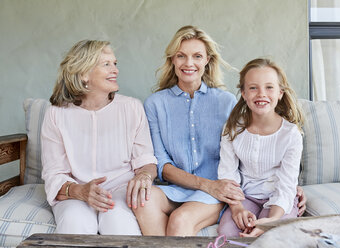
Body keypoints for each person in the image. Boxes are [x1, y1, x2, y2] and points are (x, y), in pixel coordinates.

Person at [133, 26, 306, 236]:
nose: (189, 63)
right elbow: (161, 163)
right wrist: (206, 185)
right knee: (142, 201)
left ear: (207, 60)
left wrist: (287, 187)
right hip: (181, 187)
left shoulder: (226, 102)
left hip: (219, 190)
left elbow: (245, 157)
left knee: (181, 219)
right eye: (181, 56)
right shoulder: (155, 104)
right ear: (172, 60)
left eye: (197, 56)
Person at [41, 40, 157, 235]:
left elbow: (146, 161)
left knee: (119, 226)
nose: (116, 70)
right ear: (83, 74)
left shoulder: (132, 107)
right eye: (106, 64)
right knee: (74, 224)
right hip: (75, 192)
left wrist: (145, 175)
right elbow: (54, 173)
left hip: (121, 190)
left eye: (115, 63)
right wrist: (81, 191)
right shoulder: (56, 114)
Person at [217, 58, 304, 237]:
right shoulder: (232, 129)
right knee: (227, 233)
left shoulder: (291, 134)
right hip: (245, 197)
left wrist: (271, 221)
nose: (261, 94)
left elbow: (287, 185)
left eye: (269, 87)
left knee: (271, 235)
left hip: (279, 199)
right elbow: (228, 174)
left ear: (280, 92)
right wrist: (237, 209)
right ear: (243, 93)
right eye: (253, 87)